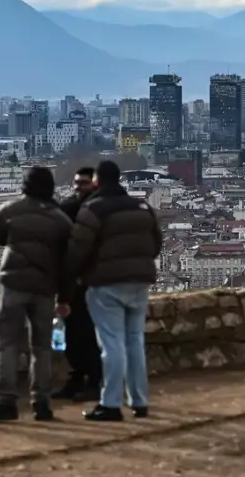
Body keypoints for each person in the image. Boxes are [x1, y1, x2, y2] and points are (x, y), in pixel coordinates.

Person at [66, 161, 163, 422]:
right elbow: (156, 245)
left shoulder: (93, 209)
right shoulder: (142, 206)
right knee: (135, 341)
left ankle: (110, 403)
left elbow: (78, 249)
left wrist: (73, 276)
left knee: (111, 344)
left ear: (97, 182)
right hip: (139, 282)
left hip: (106, 283)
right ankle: (139, 400)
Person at [0, 167, 74, 423]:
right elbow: (67, 262)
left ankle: (5, 401)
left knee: (8, 343)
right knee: (41, 347)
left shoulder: (10, 210)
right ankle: (41, 403)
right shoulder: (60, 219)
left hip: (14, 283)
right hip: (44, 287)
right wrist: (64, 297)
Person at [53, 167, 103, 402]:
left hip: (91, 281)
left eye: (83, 183)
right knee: (75, 334)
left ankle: (93, 381)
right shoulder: (70, 208)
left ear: (93, 184)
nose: (77, 187)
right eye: (76, 182)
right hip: (75, 281)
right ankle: (77, 379)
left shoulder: (91, 210)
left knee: (88, 335)